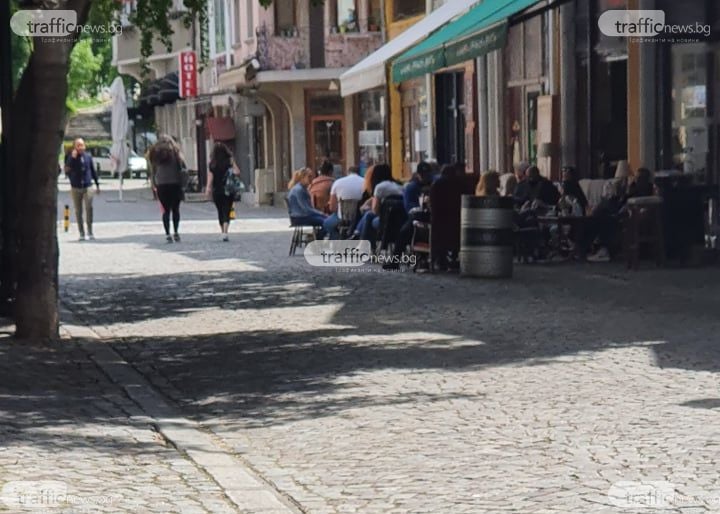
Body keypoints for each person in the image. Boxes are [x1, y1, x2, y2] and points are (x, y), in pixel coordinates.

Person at [383, 161, 435, 269]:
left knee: (406, 229)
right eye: (423, 175)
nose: (426, 177)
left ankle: (395, 260)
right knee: (407, 229)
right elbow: (410, 208)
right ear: (418, 174)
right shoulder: (411, 188)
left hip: (436, 217)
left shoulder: (435, 184)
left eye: (428, 174)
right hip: (418, 217)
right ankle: (395, 260)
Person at [352, 164, 402, 247]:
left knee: (369, 215)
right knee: (369, 215)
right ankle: (360, 240)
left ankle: (361, 240)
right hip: (399, 221)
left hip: (385, 222)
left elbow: (375, 210)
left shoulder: (379, 187)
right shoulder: (400, 186)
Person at [148, 135, 185, 243]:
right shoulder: (176, 152)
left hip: (161, 185)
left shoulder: (155, 154)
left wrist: (153, 184)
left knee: (165, 211)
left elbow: (153, 171)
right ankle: (176, 232)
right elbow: (182, 167)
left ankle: (167, 234)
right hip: (175, 183)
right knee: (176, 210)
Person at [64, 138, 100, 241]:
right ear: (75, 147)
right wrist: (72, 158)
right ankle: (81, 233)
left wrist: (97, 185)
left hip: (88, 186)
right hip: (75, 187)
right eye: (78, 145)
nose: (81, 147)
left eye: (82, 145)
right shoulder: (70, 157)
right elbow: (66, 170)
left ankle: (90, 231)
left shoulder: (88, 157)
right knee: (78, 211)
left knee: (89, 208)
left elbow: (93, 170)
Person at [206, 143, 242, 242]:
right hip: (228, 189)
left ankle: (223, 231)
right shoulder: (229, 161)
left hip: (217, 190)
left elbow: (210, 177)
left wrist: (208, 188)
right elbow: (237, 172)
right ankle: (225, 232)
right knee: (227, 209)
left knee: (220, 211)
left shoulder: (212, 163)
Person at [323, 165, 365, 240]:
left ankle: (338, 241)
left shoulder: (337, 182)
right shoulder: (365, 182)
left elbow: (332, 207)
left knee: (327, 223)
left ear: (347, 172)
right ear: (359, 172)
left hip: (342, 217)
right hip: (360, 218)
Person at [287, 168, 328, 238]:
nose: (311, 179)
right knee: (328, 222)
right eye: (309, 176)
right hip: (300, 217)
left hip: (302, 216)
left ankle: (317, 237)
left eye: (312, 176)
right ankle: (318, 238)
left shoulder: (303, 188)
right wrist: (321, 214)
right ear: (302, 177)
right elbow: (306, 209)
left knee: (327, 219)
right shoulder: (299, 190)